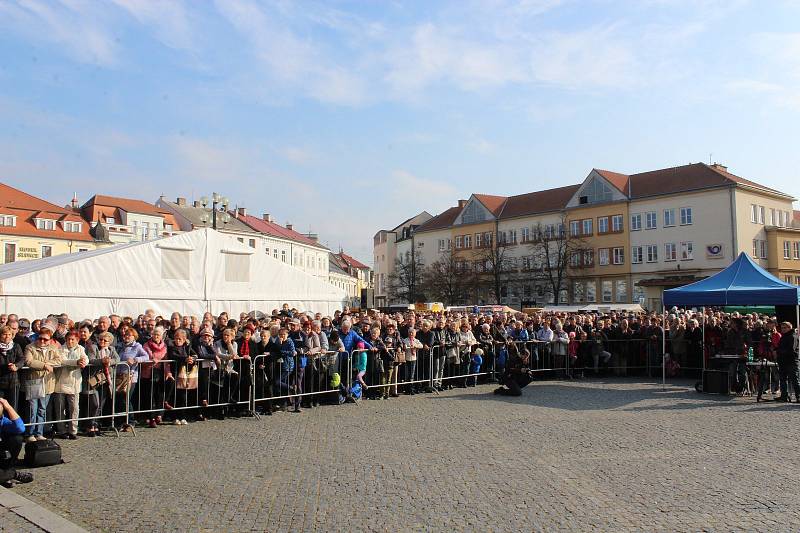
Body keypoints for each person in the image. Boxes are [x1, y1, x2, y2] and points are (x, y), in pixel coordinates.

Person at [22, 323, 62, 442]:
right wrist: (44, 365)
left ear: (50, 339)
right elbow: (29, 361)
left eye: (46, 339)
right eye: (41, 338)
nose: (43, 341)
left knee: (42, 409)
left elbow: (59, 360)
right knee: (32, 409)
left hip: (48, 382)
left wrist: (48, 364)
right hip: (34, 381)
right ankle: (30, 433)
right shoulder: (30, 347)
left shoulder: (53, 348)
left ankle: (39, 432)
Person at [53, 330, 87, 439]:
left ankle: (73, 430)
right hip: (61, 381)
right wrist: (76, 362)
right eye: (68, 339)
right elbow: (62, 361)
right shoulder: (61, 349)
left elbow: (85, 358)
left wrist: (83, 362)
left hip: (75, 382)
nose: (70, 341)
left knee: (74, 408)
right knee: (60, 408)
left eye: (73, 339)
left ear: (77, 340)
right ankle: (62, 430)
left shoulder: (80, 348)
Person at [0, 397, 34, 488]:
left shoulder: (2, 420)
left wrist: (8, 407)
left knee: (17, 439)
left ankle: (6, 473)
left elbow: (20, 428)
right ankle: (13, 475)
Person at [776, 322, 800, 403]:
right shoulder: (784, 337)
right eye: (782, 328)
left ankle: (798, 396)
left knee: (795, 380)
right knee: (783, 380)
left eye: (784, 328)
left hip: (791, 361)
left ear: (789, 328)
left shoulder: (793, 336)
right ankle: (784, 396)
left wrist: (780, 351)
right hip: (783, 361)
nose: (782, 329)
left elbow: (791, 350)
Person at [0, 326, 22, 412]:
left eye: (9, 334)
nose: (7, 336)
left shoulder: (16, 346)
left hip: (13, 382)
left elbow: (22, 359)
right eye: (4, 334)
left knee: (12, 408)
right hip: (1, 382)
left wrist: (16, 366)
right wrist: (6, 366)